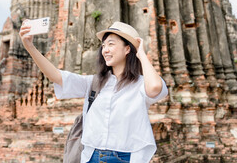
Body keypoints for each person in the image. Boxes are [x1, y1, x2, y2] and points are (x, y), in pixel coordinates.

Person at [19, 21, 168, 163]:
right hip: (91, 156)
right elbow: (57, 77)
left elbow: (155, 88)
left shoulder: (140, 84)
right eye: (103, 46)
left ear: (127, 49)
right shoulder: (95, 83)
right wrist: (30, 46)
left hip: (125, 158)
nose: (105, 50)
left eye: (111, 44)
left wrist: (141, 54)